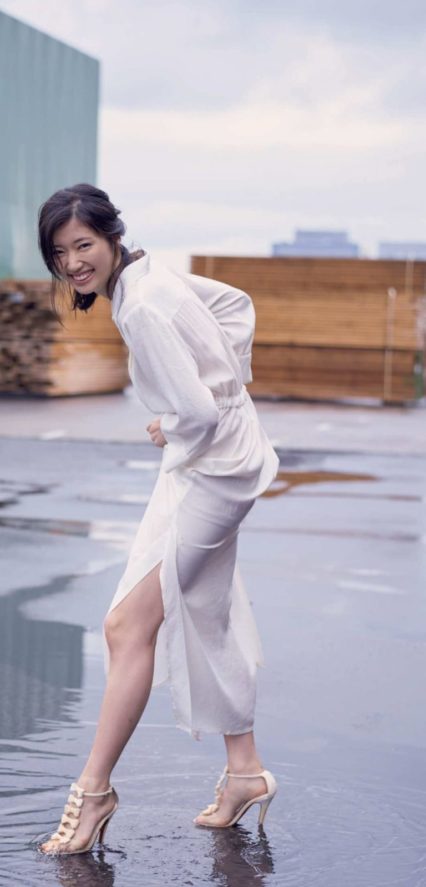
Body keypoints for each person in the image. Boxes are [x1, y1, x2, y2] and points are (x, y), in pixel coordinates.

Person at [36, 183, 279, 855]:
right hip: (216, 458)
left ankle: (93, 792)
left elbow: (194, 413)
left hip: (213, 467)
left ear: (112, 235)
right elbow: (235, 304)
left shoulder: (141, 303)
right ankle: (245, 771)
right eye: (60, 253)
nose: (73, 263)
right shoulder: (148, 275)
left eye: (83, 245)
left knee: (127, 625)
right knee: (204, 607)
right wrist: (226, 384)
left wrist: (182, 416)